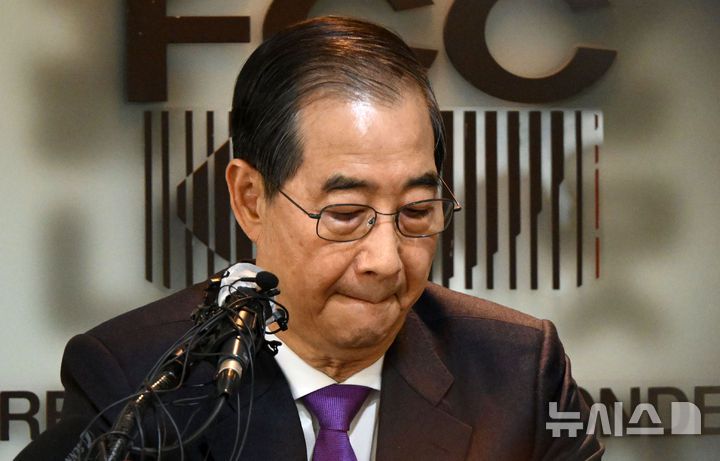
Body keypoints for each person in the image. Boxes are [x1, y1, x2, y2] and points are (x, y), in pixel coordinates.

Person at [17, 16, 603, 461]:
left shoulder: (519, 373)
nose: (386, 261)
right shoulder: (139, 381)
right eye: (345, 214)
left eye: (416, 211)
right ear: (251, 199)